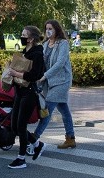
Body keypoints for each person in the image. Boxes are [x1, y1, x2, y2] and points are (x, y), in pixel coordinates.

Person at [30, 20, 76, 151]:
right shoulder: (45, 44)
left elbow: (60, 63)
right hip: (49, 83)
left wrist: (45, 75)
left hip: (61, 81)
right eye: (46, 29)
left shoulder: (63, 43)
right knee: (64, 110)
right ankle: (70, 138)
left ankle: (35, 137)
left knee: (47, 109)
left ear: (56, 29)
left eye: (50, 28)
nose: (48, 31)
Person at [6, 25, 46, 168]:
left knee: (21, 126)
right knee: (14, 126)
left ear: (31, 39)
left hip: (29, 93)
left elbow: (36, 75)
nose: (22, 37)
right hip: (20, 91)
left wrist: (17, 74)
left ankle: (21, 158)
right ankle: (37, 144)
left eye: (24, 35)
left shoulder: (37, 54)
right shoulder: (24, 52)